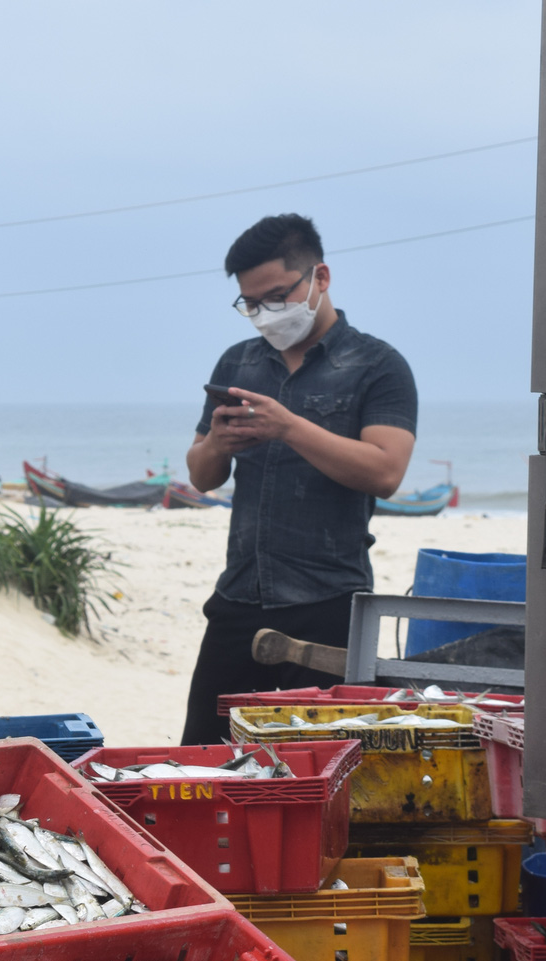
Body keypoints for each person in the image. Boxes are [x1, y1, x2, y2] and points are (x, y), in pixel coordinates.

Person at [178, 214, 417, 745]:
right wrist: (217, 443)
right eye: (251, 303)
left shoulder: (377, 365)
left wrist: (288, 427)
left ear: (320, 278)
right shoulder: (238, 362)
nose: (265, 314)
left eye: (278, 296)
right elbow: (201, 476)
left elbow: (386, 471)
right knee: (203, 763)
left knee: (321, 772)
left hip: (329, 608)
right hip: (238, 601)